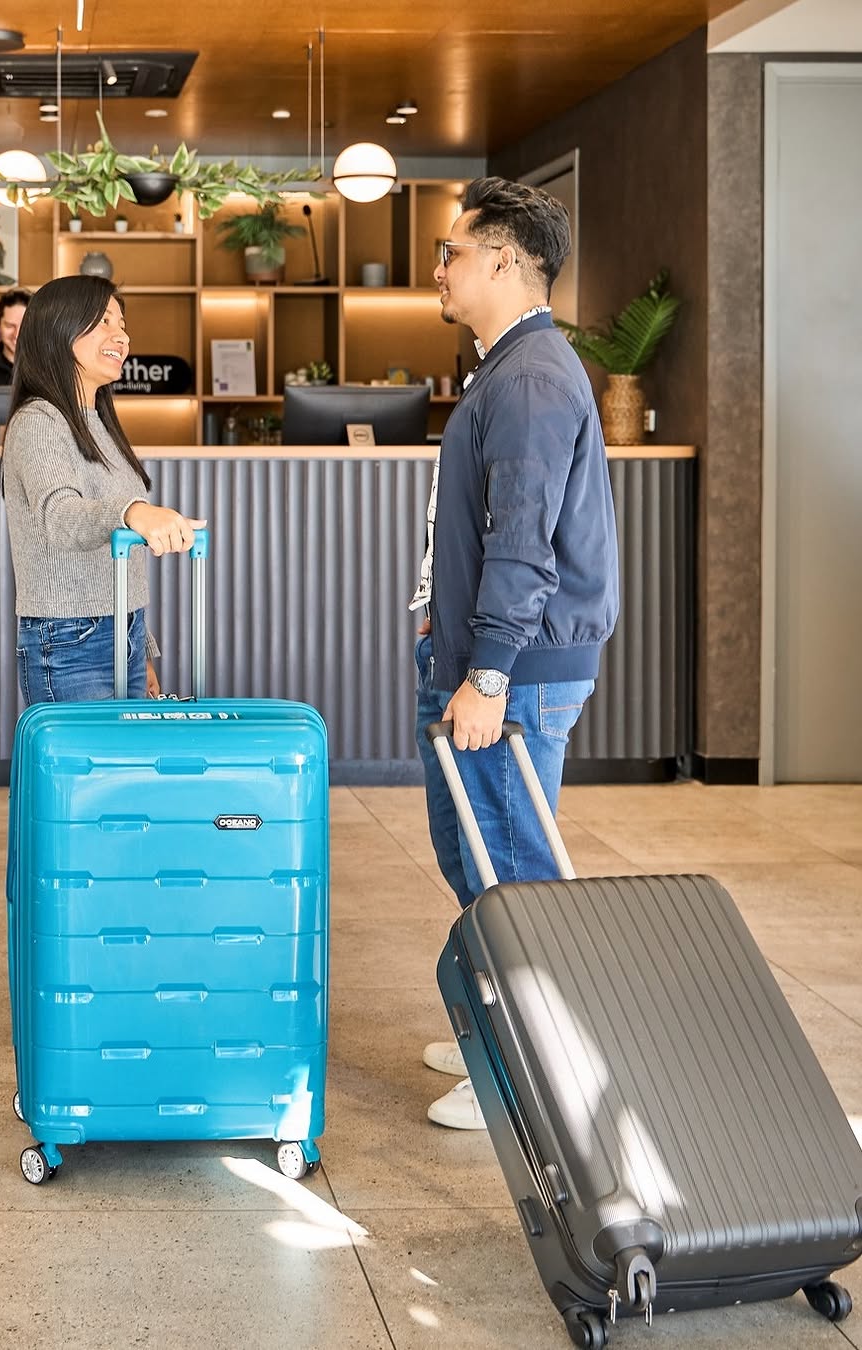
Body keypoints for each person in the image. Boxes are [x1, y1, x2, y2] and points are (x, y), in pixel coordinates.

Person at [411, 178, 619, 1129]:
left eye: (451, 252)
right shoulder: (509, 367)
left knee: (512, 875)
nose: (439, 268)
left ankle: (533, 1077)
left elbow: (524, 544)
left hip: (512, 676)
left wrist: (488, 672)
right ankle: (496, 1038)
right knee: (474, 860)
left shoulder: (531, 377)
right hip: (483, 663)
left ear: (502, 259)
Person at [1, 275, 204, 705]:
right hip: (67, 642)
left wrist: (141, 646)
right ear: (59, 330)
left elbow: (118, 559)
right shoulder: (38, 421)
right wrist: (132, 512)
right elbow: (61, 518)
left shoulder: (100, 423)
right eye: (104, 322)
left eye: (122, 324)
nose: (122, 336)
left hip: (124, 633)